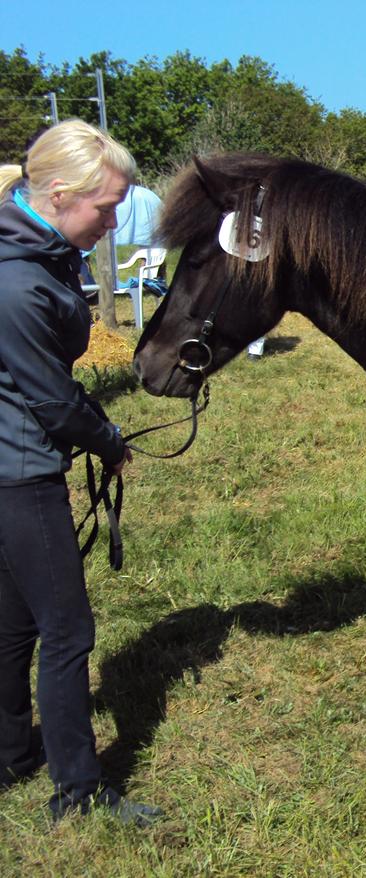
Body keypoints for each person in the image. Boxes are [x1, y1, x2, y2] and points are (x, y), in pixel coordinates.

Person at [0, 120, 162, 826]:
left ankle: (11, 753)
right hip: (18, 474)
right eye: (106, 207)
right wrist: (108, 441)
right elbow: (50, 399)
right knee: (67, 631)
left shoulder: (37, 252)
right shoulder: (16, 282)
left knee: (14, 624)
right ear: (61, 194)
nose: (114, 222)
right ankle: (79, 790)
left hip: (14, 460)